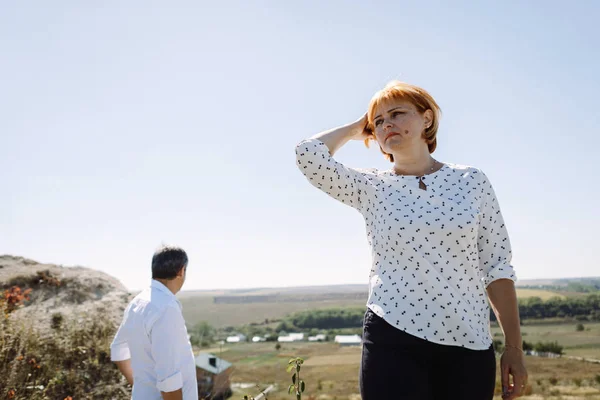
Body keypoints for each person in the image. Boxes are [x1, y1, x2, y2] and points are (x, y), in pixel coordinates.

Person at [295, 81, 527, 400]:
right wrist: (356, 127)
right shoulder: (372, 187)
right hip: (392, 337)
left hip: (469, 343)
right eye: (378, 121)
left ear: (427, 119)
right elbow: (308, 155)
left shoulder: (472, 181)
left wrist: (514, 347)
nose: (386, 123)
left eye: (397, 113)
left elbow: (497, 266)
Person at [110, 246, 198, 400]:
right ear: (181, 271)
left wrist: (141, 388)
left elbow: (118, 350)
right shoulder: (167, 308)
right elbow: (169, 378)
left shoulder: (137, 303)